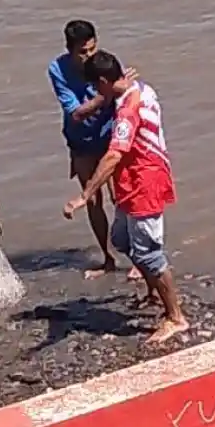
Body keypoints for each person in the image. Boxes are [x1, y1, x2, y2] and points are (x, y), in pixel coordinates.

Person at [62, 50, 189, 343]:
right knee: (122, 239)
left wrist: (86, 194)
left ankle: (176, 318)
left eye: (97, 87)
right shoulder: (142, 89)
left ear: (105, 82)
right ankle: (153, 293)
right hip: (130, 184)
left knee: (149, 253)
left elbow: (114, 155)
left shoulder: (128, 110)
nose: (96, 93)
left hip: (145, 183)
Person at [48, 19, 141, 281]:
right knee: (92, 199)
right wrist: (107, 94)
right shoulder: (58, 70)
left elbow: (125, 97)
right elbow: (76, 113)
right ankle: (108, 259)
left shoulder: (103, 63)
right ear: (69, 49)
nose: (88, 56)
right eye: (82, 52)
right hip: (81, 140)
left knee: (120, 195)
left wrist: (119, 90)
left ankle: (137, 257)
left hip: (109, 134)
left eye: (91, 49)